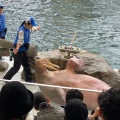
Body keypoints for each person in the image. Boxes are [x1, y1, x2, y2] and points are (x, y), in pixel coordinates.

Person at [3, 17, 40, 82]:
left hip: (24, 50)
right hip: (19, 51)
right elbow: (20, 41)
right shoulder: (22, 31)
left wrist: (36, 28)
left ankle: (28, 79)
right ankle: (6, 79)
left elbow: (32, 30)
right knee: (16, 67)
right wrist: (17, 48)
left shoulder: (28, 28)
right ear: (27, 24)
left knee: (26, 65)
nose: (32, 26)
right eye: (31, 25)